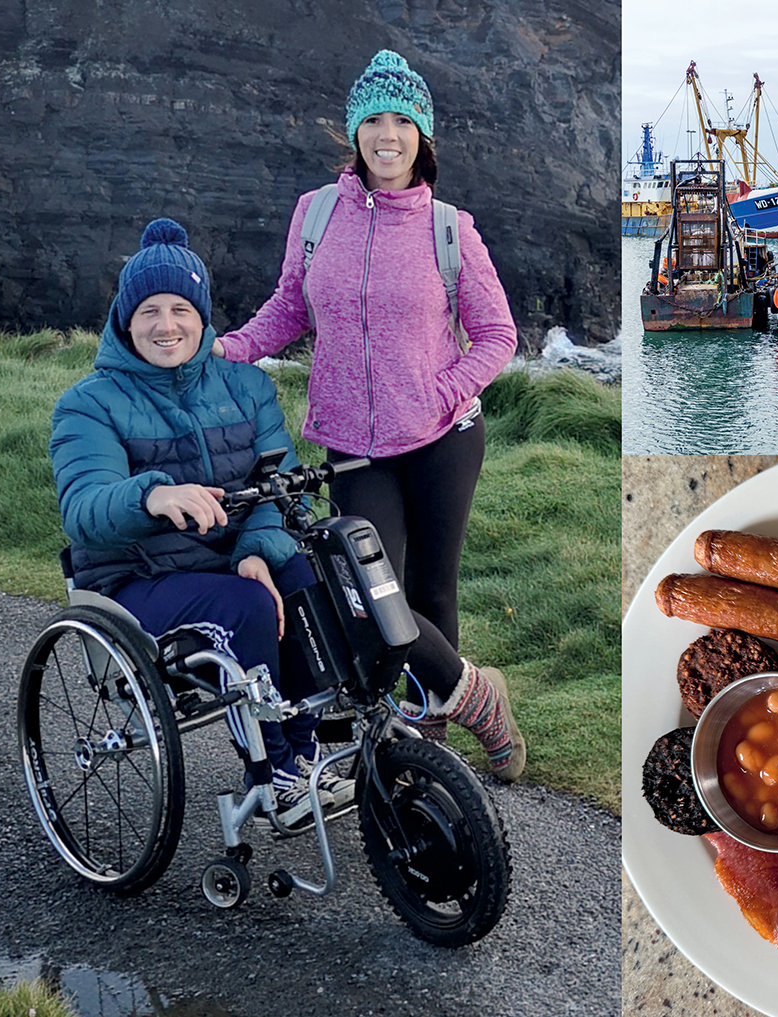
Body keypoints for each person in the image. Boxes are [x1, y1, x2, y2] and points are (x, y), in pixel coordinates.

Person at [215, 52, 524, 777]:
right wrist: (229, 348)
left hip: (444, 437)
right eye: (375, 121)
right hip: (354, 443)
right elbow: (290, 306)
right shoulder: (317, 213)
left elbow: (498, 334)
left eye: (403, 122)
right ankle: (480, 698)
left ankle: (425, 742)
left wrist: (441, 393)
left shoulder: (450, 228)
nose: (389, 136)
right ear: (355, 132)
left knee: (430, 591)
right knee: (370, 593)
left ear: (423, 136)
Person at [52, 220, 350, 823]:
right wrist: (151, 496)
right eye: (149, 311)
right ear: (126, 320)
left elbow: (278, 487)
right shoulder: (88, 402)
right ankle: (274, 774)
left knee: (307, 579)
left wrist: (256, 550)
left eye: (180, 309)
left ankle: (307, 750)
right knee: (247, 607)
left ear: (203, 316)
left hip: (229, 563)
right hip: (137, 578)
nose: (166, 325)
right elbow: (83, 509)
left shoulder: (248, 385)